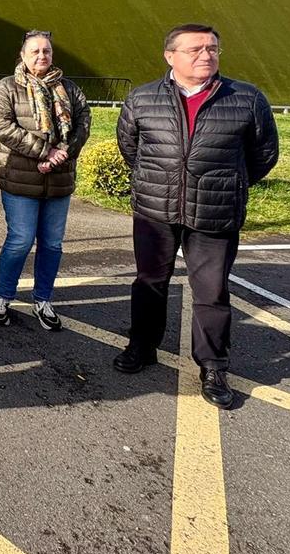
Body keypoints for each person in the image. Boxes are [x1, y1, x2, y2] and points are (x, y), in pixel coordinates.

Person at [113, 23, 279, 409]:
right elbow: (131, 148)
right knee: (150, 282)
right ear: (170, 56)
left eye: (213, 49)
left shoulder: (246, 98)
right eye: (196, 49)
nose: (206, 55)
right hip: (156, 209)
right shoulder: (142, 99)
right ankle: (142, 345)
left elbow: (263, 154)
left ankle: (213, 365)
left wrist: (227, 185)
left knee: (211, 291)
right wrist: (162, 181)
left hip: (215, 212)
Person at [0, 30, 91, 331]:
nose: (41, 56)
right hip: (21, 181)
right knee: (19, 241)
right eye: (34, 51)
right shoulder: (8, 87)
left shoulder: (68, 89)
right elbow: (3, 126)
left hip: (58, 182)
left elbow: (83, 123)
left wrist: (63, 154)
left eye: (46, 51)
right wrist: (46, 151)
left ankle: (43, 299)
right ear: (22, 55)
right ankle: (2, 297)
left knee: (52, 244)